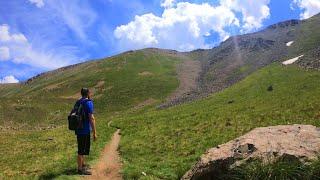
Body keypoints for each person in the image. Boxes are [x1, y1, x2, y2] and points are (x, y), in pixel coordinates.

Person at [75, 88, 97, 175]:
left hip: (78, 129)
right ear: (88, 93)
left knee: (82, 148)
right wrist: (94, 132)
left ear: (81, 94)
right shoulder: (88, 103)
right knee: (81, 150)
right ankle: (80, 170)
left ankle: (83, 165)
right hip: (85, 129)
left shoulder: (78, 101)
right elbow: (91, 118)